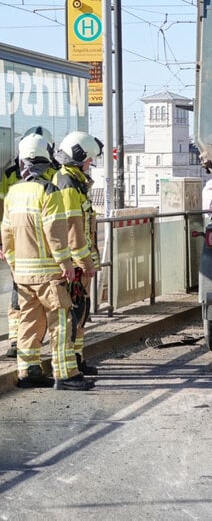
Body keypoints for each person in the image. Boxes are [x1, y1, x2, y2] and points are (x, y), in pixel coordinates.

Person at [1, 134, 93, 390]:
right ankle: (65, 374)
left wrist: (14, 266)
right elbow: (56, 235)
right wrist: (66, 266)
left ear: (23, 162)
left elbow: (6, 235)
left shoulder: (13, 193)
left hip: (23, 275)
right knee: (61, 321)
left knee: (30, 320)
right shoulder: (49, 191)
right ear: (46, 160)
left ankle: (28, 370)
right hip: (49, 275)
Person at [1, 126, 58, 359]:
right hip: (41, 248)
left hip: (20, 244)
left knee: (22, 295)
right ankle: (21, 342)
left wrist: (5, 244)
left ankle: (23, 345)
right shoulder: (53, 173)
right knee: (47, 302)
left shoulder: (12, 174)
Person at [53, 131, 103, 376]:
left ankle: (78, 358)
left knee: (81, 312)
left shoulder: (74, 181)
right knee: (74, 313)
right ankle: (72, 362)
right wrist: (85, 263)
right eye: (89, 159)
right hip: (75, 265)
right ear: (78, 156)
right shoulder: (69, 185)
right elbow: (73, 230)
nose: (90, 163)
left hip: (78, 263)